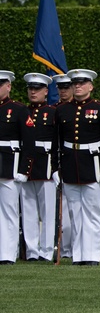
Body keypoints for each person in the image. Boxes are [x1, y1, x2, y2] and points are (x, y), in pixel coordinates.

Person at [54, 69, 100, 265]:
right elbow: (58, 142)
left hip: (93, 165)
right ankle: (78, 255)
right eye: (75, 83)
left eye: (82, 83)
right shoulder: (62, 110)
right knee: (75, 214)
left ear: (91, 86)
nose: (78, 86)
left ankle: (92, 255)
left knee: (92, 213)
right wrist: (56, 168)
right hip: (71, 165)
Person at [20, 73, 59, 261]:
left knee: (48, 212)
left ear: (46, 91)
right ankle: (31, 251)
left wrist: (56, 168)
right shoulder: (23, 111)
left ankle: (46, 250)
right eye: (30, 89)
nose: (33, 92)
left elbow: (57, 141)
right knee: (28, 212)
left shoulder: (52, 112)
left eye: (37, 89)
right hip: (26, 167)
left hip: (46, 167)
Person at [0, 70, 29, 264]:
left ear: (9, 86)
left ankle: (7, 255)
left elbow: (29, 142)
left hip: (9, 165)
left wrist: (24, 170)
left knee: (9, 212)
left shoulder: (18, 109)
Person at [52, 73, 74, 260]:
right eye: (61, 88)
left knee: (76, 210)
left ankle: (76, 246)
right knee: (62, 209)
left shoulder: (76, 109)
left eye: (66, 87)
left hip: (76, 162)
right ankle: (64, 247)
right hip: (62, 162)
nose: (63, 91)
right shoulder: (55, 110)